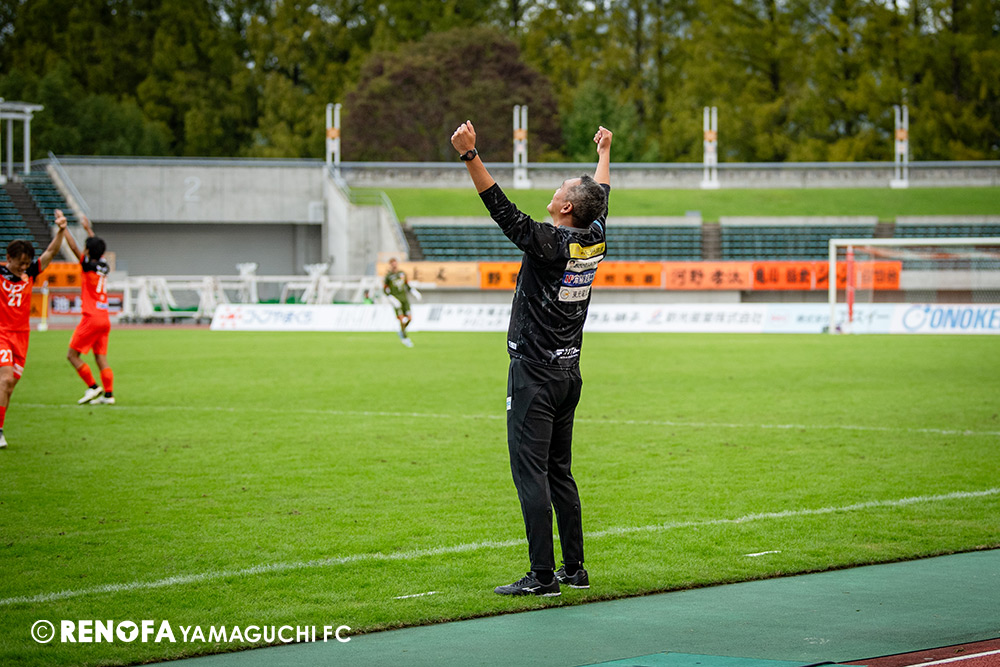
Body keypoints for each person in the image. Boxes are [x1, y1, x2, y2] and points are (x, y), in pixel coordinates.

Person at [450, 120, 612, 596]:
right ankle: (574, 569)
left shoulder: (550, 244)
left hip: (535, 375)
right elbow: (601, 195)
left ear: (566, 207)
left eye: (562, 187)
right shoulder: (593, 236)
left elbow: (503, 212)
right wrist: (604, 153)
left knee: (531, 473)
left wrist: (470, 156)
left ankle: (542, 575)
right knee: (559, 471)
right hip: (568, 373)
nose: (556, 188)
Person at [0, 216, 68, 448]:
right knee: (5, 379)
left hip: (22, 336)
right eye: (20, 263)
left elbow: (50, 252)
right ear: (8, 258)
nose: (23, 267)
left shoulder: (30, 273)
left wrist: (61, 231)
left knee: (9, 386)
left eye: (27, 263)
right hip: (2, 333)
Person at [57, 210, 115, 405]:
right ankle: (109, 395)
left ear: (88, 251)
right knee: (101, 357)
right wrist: (88, 230)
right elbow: (98, 248)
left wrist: (64, 228)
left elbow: (73, 247)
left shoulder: (87, 265)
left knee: (72, 355)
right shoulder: (104, 266)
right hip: (104, 318)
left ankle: (93, 386)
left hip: (91, 317)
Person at [383, 257, 420, 347]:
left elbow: (407, 284)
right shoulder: (388, 277)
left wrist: (414, 291)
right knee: (402, 319)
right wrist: (391, 298)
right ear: (390, 265)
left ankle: (401, 332)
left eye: (395, 263)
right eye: (392, 264)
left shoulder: (402, 274)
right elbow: (385, 289)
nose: (394, 265)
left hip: (404, 299)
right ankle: (405, 337)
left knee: (409, 318)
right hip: (396, 300)